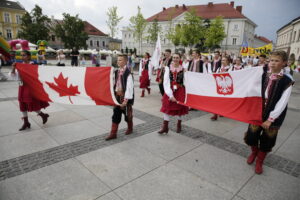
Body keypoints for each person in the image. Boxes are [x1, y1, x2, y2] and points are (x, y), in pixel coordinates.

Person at [244, 51, 293, 174]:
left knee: (267, 140)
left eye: (277, 61)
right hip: (258, 112)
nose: (273, 63)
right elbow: (252, 90)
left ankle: (260, 160)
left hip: (273, 116)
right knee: (251, 136)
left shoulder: (286, 80)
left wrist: (271, 119)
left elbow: (283, 102)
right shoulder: (262, 75)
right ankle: (254, 153)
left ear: (284, 63)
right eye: (271, 60)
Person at [11, 50, 50, 131]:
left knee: (31, 103)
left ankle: (42, 115)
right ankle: (26, 122)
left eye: (24, 55)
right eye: (21, 55)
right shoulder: (19, 65)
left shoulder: (33, 65)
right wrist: (13, 69)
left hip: (31, 87)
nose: (22, 57)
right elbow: (14, 76)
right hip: (22, 86)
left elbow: (39, 75)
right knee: (22, 104)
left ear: (28, 56)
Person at [105, 54, 134, 140]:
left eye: (120, 60)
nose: (118, 61)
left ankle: (130, 128)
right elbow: (113, 82)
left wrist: (125, 100)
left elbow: (129, 88)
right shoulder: (116, 71)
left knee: (127, 115)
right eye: (118, 60)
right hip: (117, 97)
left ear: (125, 61)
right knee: (115, 115)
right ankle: (113, 133)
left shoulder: (128, 73)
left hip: (125, 98)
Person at [158, 53, 189, 134]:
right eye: (174, 57)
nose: (175, 59)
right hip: (170, 90)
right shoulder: (168, 69)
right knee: (166, 108)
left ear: (180, 59)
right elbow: (166, 82)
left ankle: (179, 125)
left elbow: (186, 82)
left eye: (177, 58)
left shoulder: (184, 69)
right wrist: (170, 95)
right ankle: (165, 127)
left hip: (180, 90)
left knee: (179, 108)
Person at [211, 56, 232, 121]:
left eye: (224, 60)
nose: (222, 61)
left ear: (228, 61)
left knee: (224, 100)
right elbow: (215, 76)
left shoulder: (230, 68)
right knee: (216, 100)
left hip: (227, 86)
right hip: (219, 86)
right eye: (222, 60)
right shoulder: (219, 68)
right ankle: (215, 114)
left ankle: (222, 111)